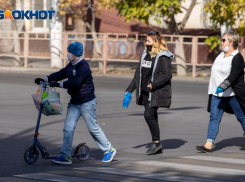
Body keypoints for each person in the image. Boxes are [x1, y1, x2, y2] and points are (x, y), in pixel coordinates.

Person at [35, 42, 116, 164]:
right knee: (68, 128)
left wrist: (57, 84)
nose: (67, 54)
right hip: (75, 102)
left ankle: (109, 149)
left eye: (69, 52)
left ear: (75, 53)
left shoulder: (83, 66)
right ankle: (65, 156)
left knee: (93, 128)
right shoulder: (71, 65)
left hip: (87, 102)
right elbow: (60, 74)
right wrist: (45, 79)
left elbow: (75, 82)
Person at [124, 31, 174, 155]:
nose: (146, 43)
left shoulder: (163, 56)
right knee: (152, 116)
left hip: (155, 92)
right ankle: (156, 144)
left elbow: (168, 74)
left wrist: (154, 83)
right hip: (145, 92)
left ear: (156, 42)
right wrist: (129, 90)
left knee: (148, 115)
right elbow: (138, 75)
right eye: (146, 41)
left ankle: (156, 143)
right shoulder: (145, 55)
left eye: (149, 41)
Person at [196, 31, 245, 153]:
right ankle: (208, 144)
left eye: (223, 40)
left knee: (242, 118)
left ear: (232, 42)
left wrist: (222, 86)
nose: (221, 42)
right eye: (222, 40)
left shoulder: (237, 58)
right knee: (214, 118)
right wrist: (216, 89)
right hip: (216, 94)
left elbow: (233, 76)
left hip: (232, 94)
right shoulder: (219, 54)